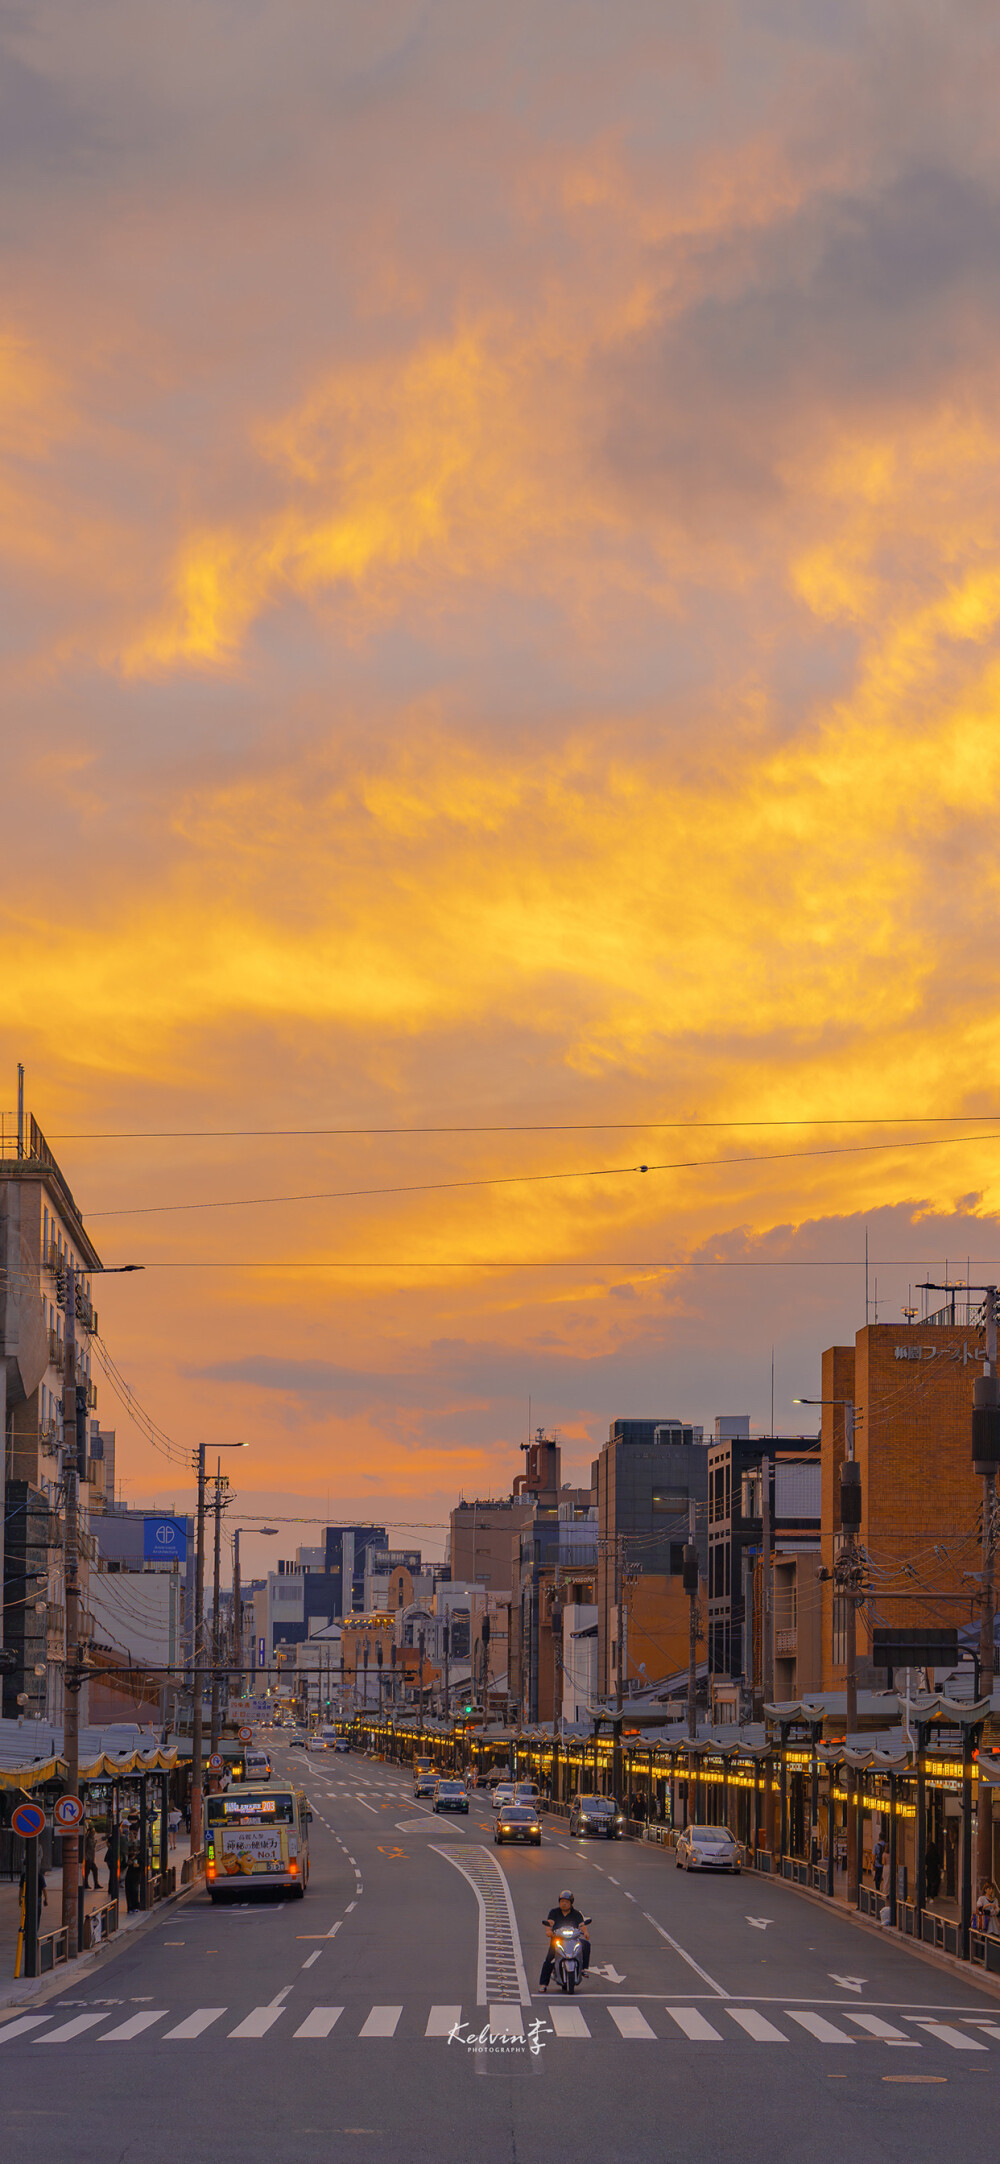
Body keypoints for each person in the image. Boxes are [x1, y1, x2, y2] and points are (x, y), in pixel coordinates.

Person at [539, 1889, 591, 1993]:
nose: (564, 1903)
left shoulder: (576, 1914)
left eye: (566, 1902)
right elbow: (550, 1923)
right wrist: (549, 1931)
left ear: (571, 1903)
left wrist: (585, 1932)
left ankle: (583, 1968)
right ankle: (543, 1984)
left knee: (586, 1944)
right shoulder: (554, 1912)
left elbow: (582, 1925)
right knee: (549, 1959)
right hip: (558, 1939)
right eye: (562, 1901)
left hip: (573, 1940)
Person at [82, 1817, 100, 1891]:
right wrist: (85, 1856)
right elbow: (85, 1847)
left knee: (94, 1869)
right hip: (88, 1857)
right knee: (87, 1871)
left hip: (91, 1858)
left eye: (94, 1831)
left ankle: (95, 1884)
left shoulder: (92, 1838)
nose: (94, 1832)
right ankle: (86, 1884)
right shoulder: (87, 1839)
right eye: (93, 1831)